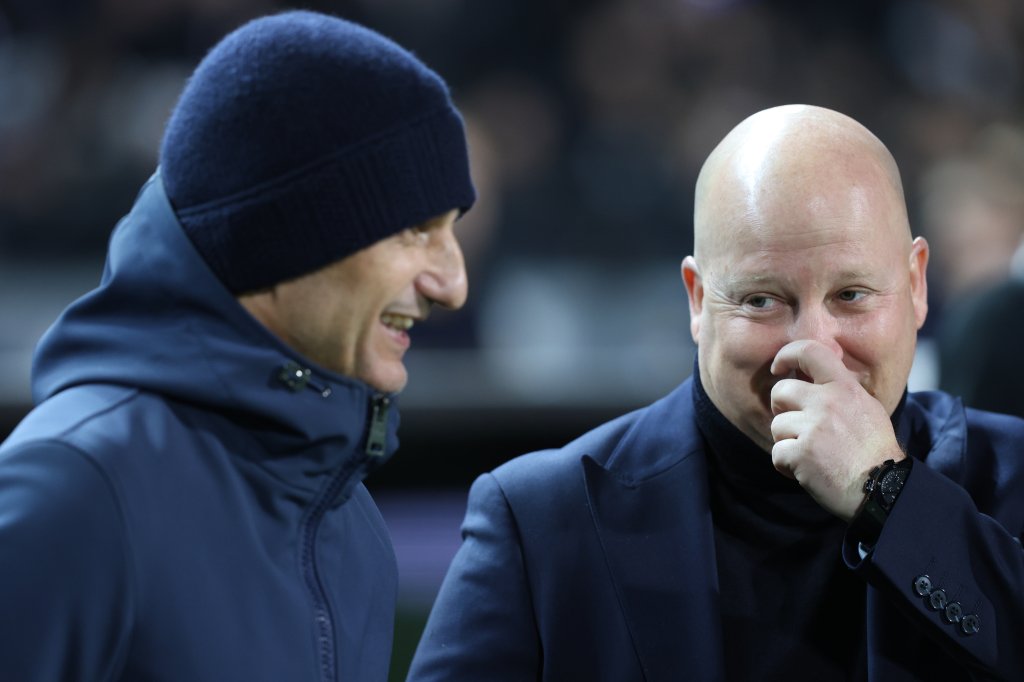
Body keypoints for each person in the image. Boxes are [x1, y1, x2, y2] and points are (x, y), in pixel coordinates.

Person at [407, 105, 1024, 681]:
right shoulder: (540, 519)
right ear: (698, 300)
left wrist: (885, 496)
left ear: (916, 286)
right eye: (762, 300)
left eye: (852, 295)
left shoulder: (1015, 478)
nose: (813, 347)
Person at [0, 10, 474, 681]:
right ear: (286, 231)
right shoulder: (75, 490)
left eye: (452, 230)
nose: (452, 284)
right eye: (415, 230)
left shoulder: (351, 525)